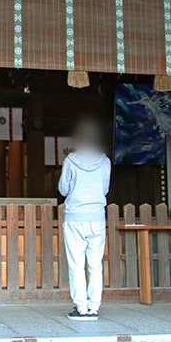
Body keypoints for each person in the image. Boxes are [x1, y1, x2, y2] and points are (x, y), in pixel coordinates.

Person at [58, 118, 111, 321]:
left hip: (75, 216)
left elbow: (63, 188)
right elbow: (105, 189)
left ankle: (80, 307)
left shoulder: (71, 160)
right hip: (97, 216)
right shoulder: (105, 161)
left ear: (79, 139)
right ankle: (94, 306)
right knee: (95, 264)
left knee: (76, 263)